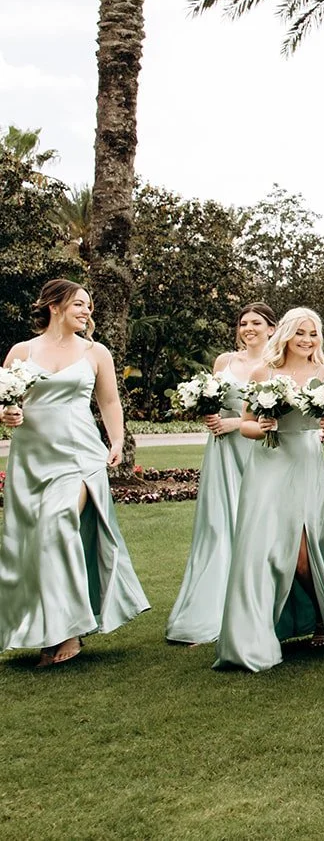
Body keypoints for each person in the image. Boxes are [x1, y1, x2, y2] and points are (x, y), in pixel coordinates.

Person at [0, 280, 149, 665]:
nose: (87, 311)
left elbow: (110, 400)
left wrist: (116, 441)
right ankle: (42, 627)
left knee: (58, 524)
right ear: (54, 306)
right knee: (31, 543)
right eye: (79, 304)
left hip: (80, 456)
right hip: (31, 460)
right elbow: (6, 401)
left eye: (89, 306)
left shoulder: (95, 352)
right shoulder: (22, 351)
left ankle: (70, 631)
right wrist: (7, 414)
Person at [215, 307, 324, 672]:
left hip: (307, 461)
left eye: (314, 334)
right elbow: (244, 425)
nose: (308, 340)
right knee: (262, 547)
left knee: (302, 550)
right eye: (301, 333)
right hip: (269, 465)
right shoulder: (264, 372)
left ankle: (321, 619)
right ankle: (255, 631)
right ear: (287, 335)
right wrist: (263, 425)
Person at [167, 302, 276, 645]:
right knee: (218, 526)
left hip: (259, 451)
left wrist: (235, 423)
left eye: (256, 323)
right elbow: (212, 399)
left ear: (271, 328)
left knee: (256, 525)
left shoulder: (277, 366)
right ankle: (209, 610)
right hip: (223, 454)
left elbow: (280, 416)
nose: (248, 328)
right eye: (243, 323)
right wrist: (208, 414)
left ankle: (258, 607)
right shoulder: (223, 362)